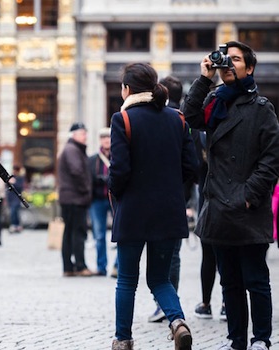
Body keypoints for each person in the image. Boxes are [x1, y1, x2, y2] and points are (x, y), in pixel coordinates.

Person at [181, 41, 279, 350]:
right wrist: (204, 78)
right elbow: (189, 116)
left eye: (236, 60)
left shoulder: (262, 108)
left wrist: (249, 194)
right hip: (219, 207)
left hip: (247, 207)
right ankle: (237, 339)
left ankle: (261, 338)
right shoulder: (214, 101)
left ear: (249, 68)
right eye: (227, 59)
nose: (229, 64)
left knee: (256, 280)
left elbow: (272, 158)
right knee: (230, 282)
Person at [108, 62, 197, 350]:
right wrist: (171, 191)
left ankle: (123, 340)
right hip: (168, 211)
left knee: (127, 280)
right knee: (160, 278)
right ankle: (178, 322)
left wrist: (117, 193)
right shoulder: (178, 119)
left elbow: (119, 171)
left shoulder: (123, 120)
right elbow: (192, 167)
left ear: (127, 89)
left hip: (133, 211)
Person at [147, 75, 187, 323]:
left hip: (151, 198)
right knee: (173, 254)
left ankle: (164, 305)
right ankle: (172, 305)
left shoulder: (154, 119)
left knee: (149, 261)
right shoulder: (183, 120)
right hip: (178, 198)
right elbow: (192, 163)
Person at [58, 122, 94, 277]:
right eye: (82, 133)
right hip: (75, 198)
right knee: (77, 233)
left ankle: (68, 267)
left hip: (70, 198)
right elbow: (77, 171)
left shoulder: (71, 149)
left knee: (69, 233)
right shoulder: (73, 150)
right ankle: (80, 266)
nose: (85, 136)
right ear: (73, 135)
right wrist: (86, 190)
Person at [88, 127, 112, 276]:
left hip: (114, 199)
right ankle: (101, 266)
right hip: (97, 199)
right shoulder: (92, 159)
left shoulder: (118, 156)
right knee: (99, 235)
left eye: (108, 138)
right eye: (103, 138)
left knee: (121, 234)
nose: (106, 140)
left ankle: (118, 266)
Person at [7, 165, 25, 233]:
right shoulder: (12, 177)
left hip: (17, 198)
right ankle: (16, 226)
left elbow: (20, 187)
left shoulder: (20, 178)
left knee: (14, 212)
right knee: (13, 212)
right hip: (10, 198)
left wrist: (14, 182)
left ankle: (15, 225)